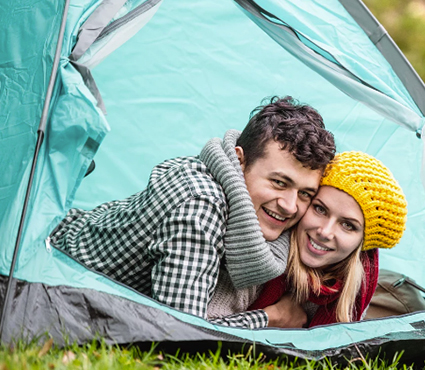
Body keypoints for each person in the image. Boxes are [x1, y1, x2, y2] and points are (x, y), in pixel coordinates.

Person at [49, 96, 336, 328]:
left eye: (304, 193)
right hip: (54, 268)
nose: (289, 205)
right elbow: (181, 331)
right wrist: (270, 318)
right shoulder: (200, 204)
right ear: (239, 160)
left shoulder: (237, 193)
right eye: (278, 182)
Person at [211, 151, 408, 328]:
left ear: (362, 244)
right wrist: (270, 318)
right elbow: (201, 331)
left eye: (348, 225)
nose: (325, 232)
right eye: (320, 209)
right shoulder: (260, 255)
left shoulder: (357, 281)